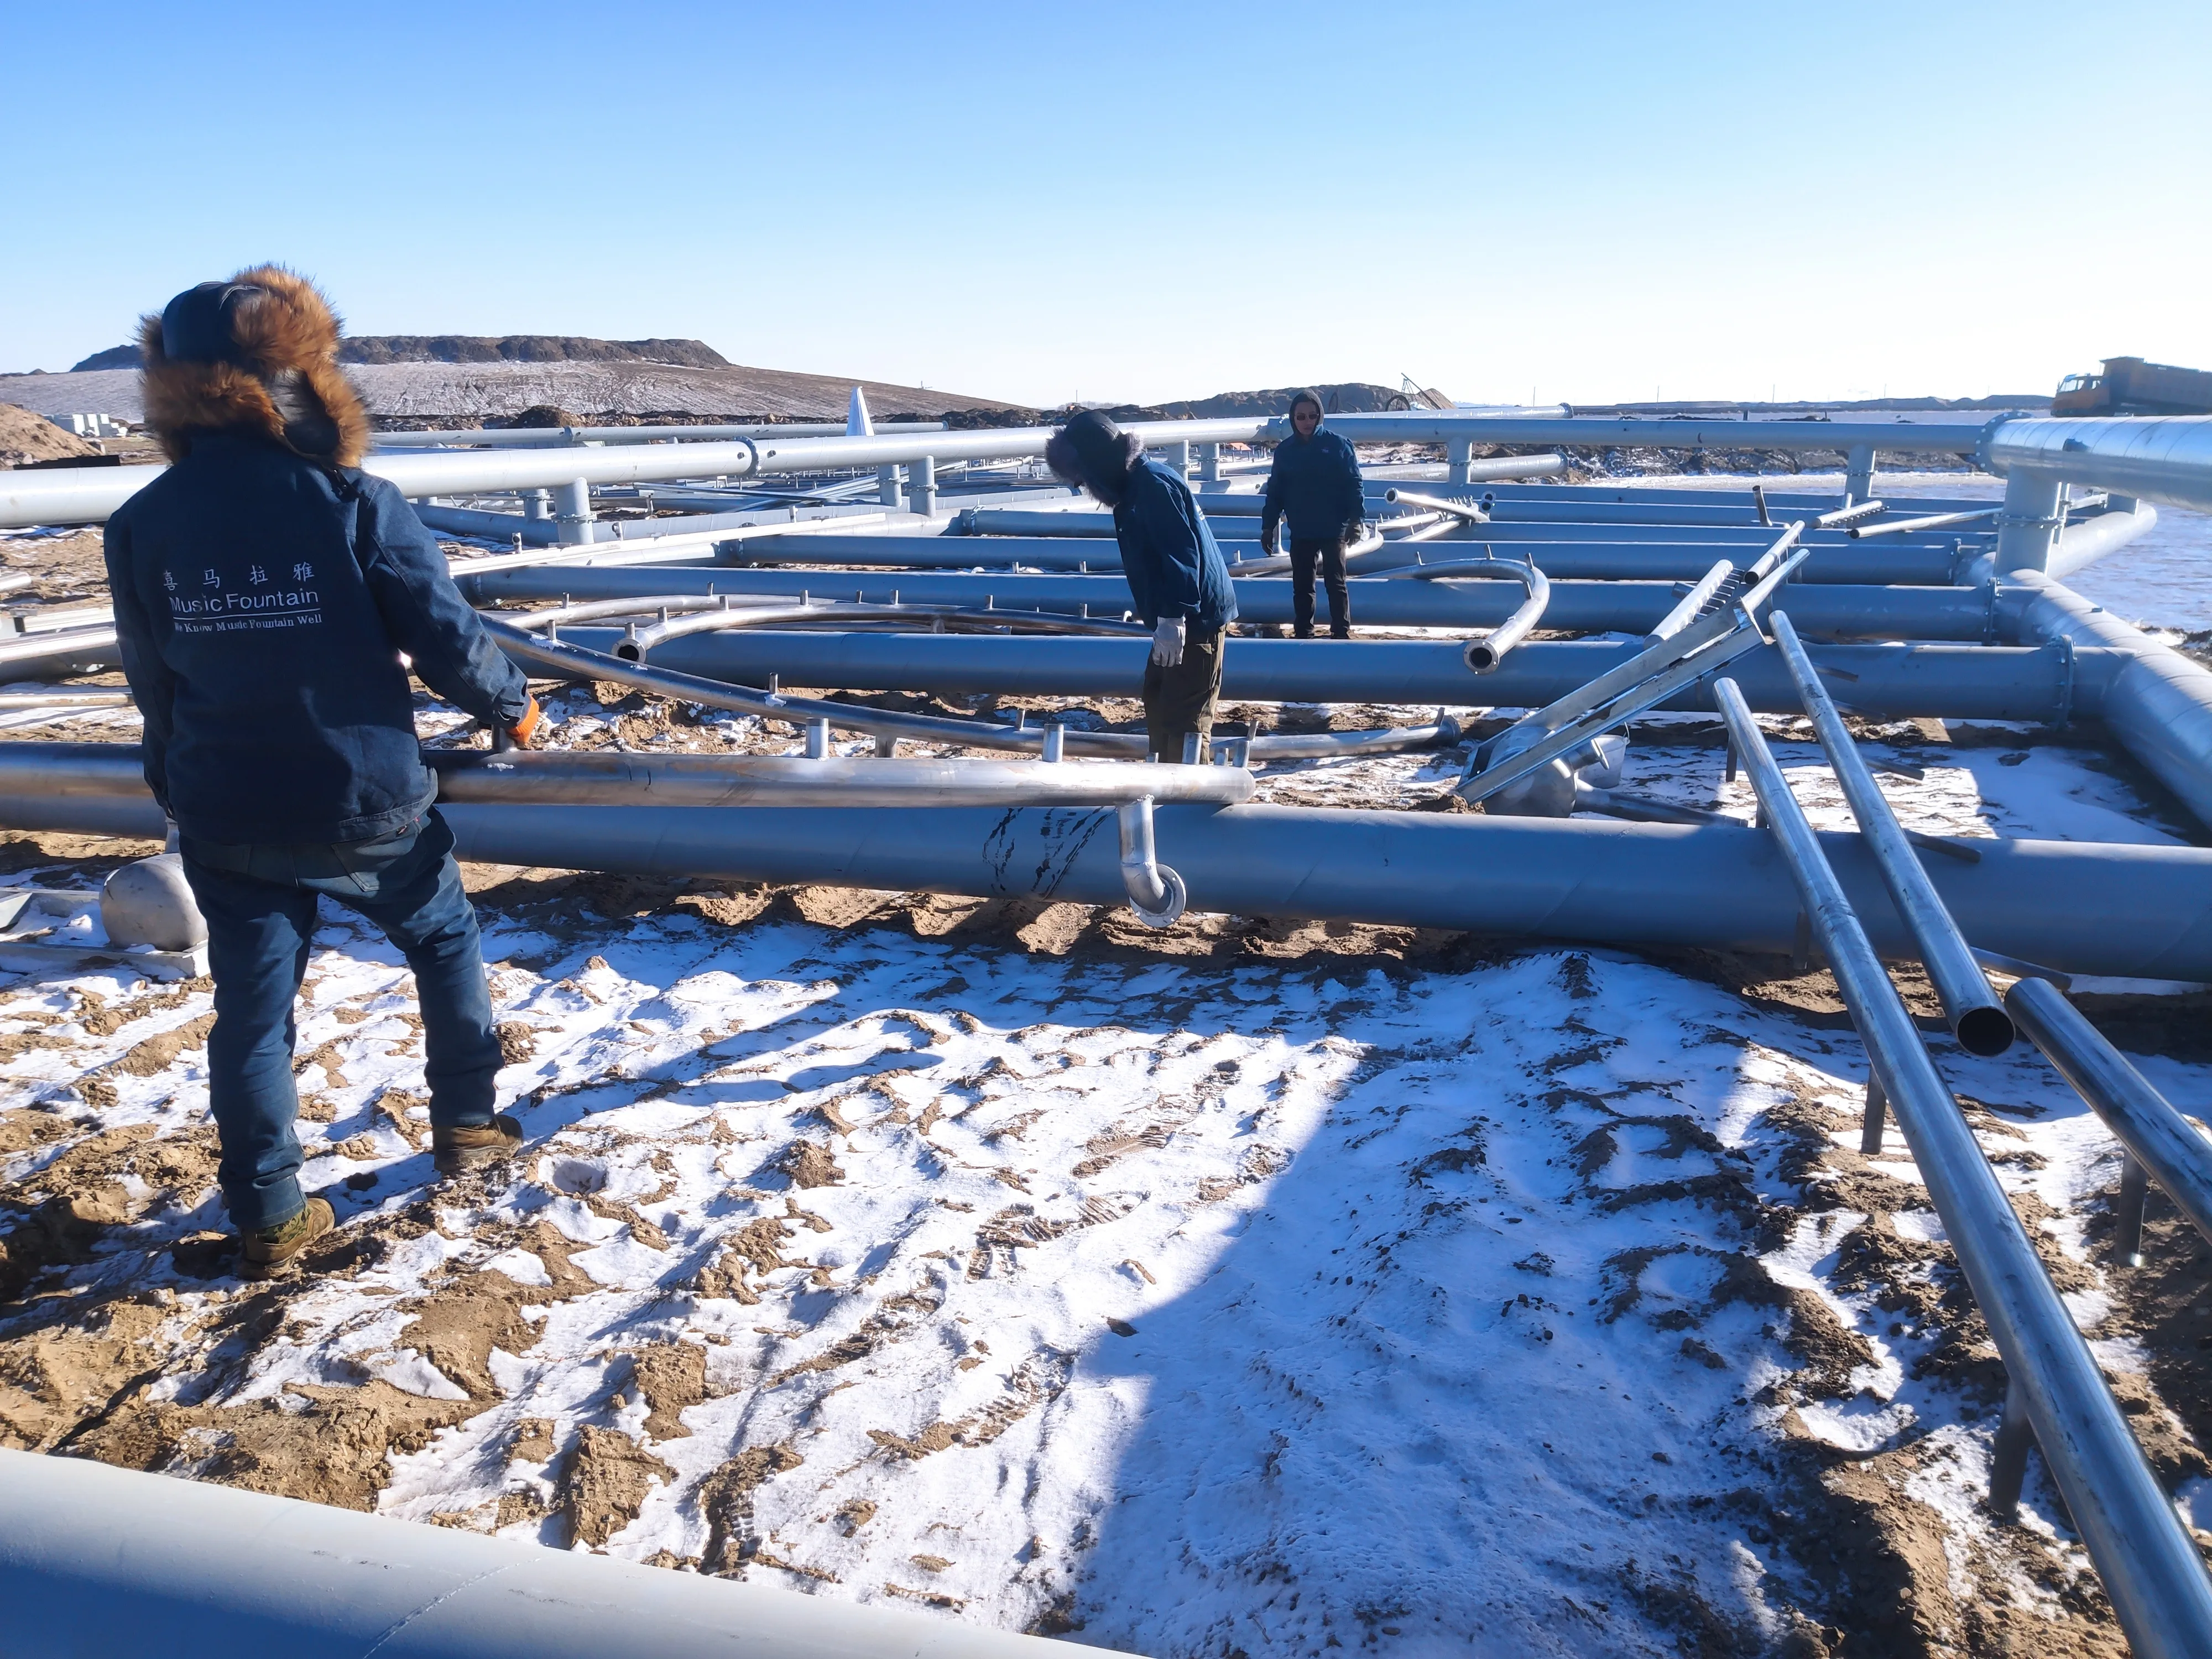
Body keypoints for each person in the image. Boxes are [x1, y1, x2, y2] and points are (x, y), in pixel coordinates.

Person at [104, 267, 543, 1277]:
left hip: (226, 811)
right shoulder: (352, 499)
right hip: (365, 798)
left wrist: (175, 782)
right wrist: (509, 705)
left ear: (173, 391)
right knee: (443, 941)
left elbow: (152, 678)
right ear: (301, 378)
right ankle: (468, 1125)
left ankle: (269, 1215)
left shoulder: (139, 521)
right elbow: (443, 633)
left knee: (253, 1016)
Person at [1045, 410, 1237, 763]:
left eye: (1082, 478)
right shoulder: (1136, 487)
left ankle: (1190, 791)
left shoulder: (1151, 487)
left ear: (1097, 465)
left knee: (1185, 718)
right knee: (1159, 698)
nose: (1081, 486)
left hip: (1195, 618)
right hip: (1179, 616)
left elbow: (1181, 553)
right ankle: (1166, 779)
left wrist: (1174, 616)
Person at [1259, 389, 1365, 638]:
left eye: (1312, 416)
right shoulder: (1285, 451)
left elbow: (1354, 484)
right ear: (1293, 419)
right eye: (1301, 417)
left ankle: (1341, 632)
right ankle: (1304, 633)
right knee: (1303, 586)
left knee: (1336, 583)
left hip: (1333, 528)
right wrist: (1268, 526)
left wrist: (1356, 520)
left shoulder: (1338, 446)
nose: (1307, 421)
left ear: (1320, 416)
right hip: (1302, 529)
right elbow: (1275, 492)